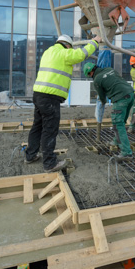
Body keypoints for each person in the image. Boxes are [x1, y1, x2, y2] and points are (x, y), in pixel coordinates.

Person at [26, 34, 101, 170]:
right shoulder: (63, 53)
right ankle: (49, 163)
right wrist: (95, 42)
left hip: (38, 94)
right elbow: (81, 54)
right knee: (50, 129)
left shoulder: (48, 52)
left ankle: (30, 155)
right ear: (67, 45)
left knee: (37, 126)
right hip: (50, 97)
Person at [84, 62, 134, 161]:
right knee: (121, 121)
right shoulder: (109, 69)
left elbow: (102, 98)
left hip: (120, 98)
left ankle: (126, 153)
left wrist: (101, 105)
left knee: (118, 124)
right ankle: (116, 141)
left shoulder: (97, 80)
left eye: (89, 75)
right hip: (131, 94)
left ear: (90, 73)